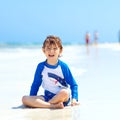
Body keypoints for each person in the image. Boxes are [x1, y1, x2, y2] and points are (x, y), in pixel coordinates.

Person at [22, 35, 79, 109]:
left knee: (65, 93)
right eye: (48, 48)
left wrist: (74, 99)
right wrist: (32, 98)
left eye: (55, 48)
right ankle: (52, 105)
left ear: (60, 50)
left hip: (61, 98)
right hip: (47, 97)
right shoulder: (41, 67)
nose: (51, 51)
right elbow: (35, 84)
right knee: (24, 99)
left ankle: (45, 105)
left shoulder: (63, 66)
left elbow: (73, 84)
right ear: (43, 50)